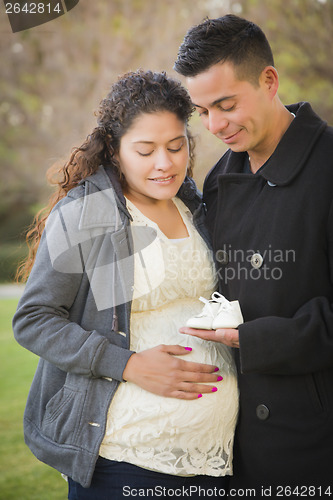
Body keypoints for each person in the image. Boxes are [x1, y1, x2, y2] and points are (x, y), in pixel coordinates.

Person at [12, 70, 239, 499]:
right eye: (145, 150)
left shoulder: (197, 207)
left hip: (216, 459)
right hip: (125, 461)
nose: (165, 162)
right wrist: (128, 364)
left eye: (176, 146)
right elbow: (34, 319)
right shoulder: (89, 212)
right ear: (115, 151)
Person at [175, 14, 333, 496]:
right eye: (202, 112)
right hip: (232, 441)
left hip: (312, 443)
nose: (215, 125)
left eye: (225, 104)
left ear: (269, 81)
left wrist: (258, 339)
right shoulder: (218, 181)